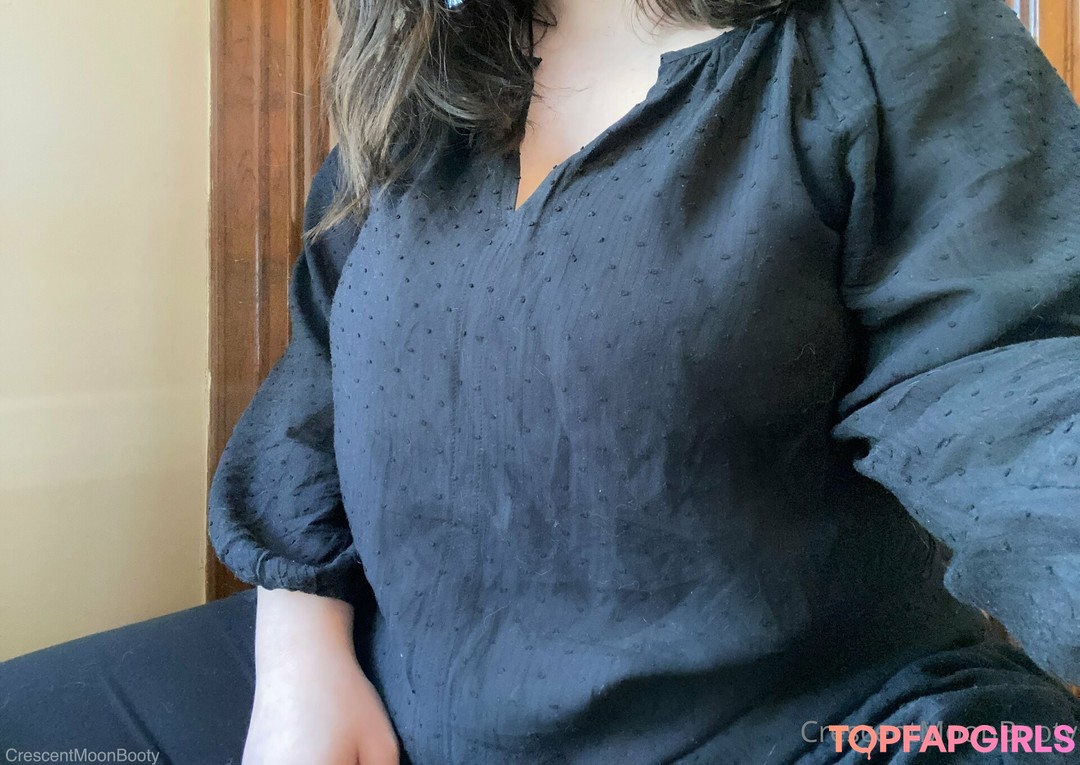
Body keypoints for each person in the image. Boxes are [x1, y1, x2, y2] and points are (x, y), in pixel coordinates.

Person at [2, 0, 1079, 762]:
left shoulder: (887, 41)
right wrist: (300, 669)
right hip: (378, 683)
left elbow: (1020, 391)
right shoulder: (418, 91)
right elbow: (316, 393)